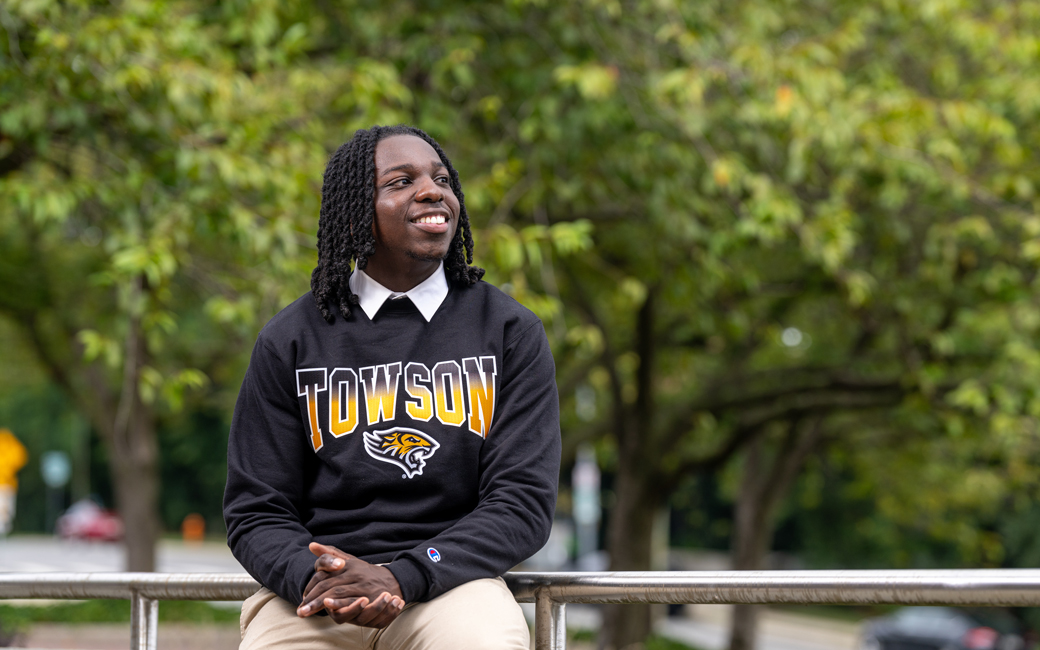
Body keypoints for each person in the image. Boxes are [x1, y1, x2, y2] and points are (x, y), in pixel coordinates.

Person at [223, 125, 561, 650]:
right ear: (358, 212)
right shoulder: (290, 339)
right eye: (401, 181)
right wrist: (318, 578)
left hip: (451, 588)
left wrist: (406, 574)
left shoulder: (509, 331)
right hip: (314, 595)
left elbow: (522, 504)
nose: (433, 191)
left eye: (441, 179)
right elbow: (256, 509)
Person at [0, 428, 27, 536]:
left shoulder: (8, 442)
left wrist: (7, 469)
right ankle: (3, 524)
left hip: (7, 484)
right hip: (7, 483)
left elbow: (20, 457)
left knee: (6, 508)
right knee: (3, 506)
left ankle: (3, 524)